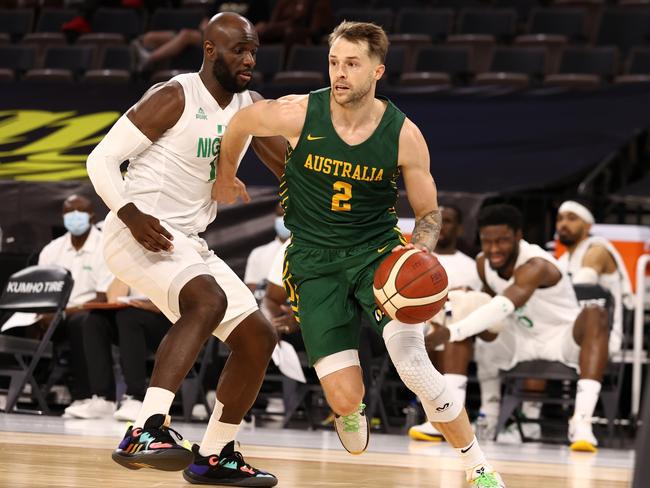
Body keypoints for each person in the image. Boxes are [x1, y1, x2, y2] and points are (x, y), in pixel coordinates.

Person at [214, 21, 505, 488]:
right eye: (334, 62)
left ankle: (478, 467)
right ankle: (351, 410)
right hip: (313, 262)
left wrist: (419, 256)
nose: (340, 73)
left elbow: (429, 216)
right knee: (345, 398)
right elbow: (242, 121)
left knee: (413, 364)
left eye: (352, 64)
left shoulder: (404, 134)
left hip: (379, 257)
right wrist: (225, 174)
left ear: (377, 71)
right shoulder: (298, 113)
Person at [86, 12, 285, 487]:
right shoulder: (175, 95)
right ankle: (146, 428)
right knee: (208, 301)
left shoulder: (249, 105)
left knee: (258, 337)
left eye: (254, 50)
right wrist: (130, 214)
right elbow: (101, 160)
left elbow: (288, 167)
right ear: (211, 50)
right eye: (240, 50)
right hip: (138, 231)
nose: (249, 60)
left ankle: (215, 455)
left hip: (188, 242)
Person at [429, 204, 610, 452]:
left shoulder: (537, 265)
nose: (494, 249)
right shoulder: (483, 263)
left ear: (517, 236)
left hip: (561, 339)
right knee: (465, 306)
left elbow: (503, 305)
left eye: (502, 241)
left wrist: (452, 332)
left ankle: (581, 422)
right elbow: (488, 304)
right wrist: (466, 299)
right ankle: (455, 418)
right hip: (518, 339)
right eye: (487, 241)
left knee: (595, 314)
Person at [32, 195, 115, 412]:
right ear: (63, 217)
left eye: (80, 212)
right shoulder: (52, 250)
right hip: (53, 316)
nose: (74, 217)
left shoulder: (104, 247)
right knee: (23, 325)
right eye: (69, 212)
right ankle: (28, 388)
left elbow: (102, 297)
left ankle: (88, 397)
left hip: (89, 312)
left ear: (91, 216)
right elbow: (42, 292)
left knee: (83, 322)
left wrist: (65, 312)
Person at [407, 205, 482, 441]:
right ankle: (442, 417)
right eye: (436, 220)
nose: (441, 226)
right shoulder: (412, 260)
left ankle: (442, 418)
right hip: (418, 328)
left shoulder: (471, 267)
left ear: (459, 228)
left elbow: (478, 309)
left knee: (454, 330)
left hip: (458, 333)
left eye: (447, 221)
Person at [556, 200, 633, 353]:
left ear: (587, 226)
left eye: (571, 218)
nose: (563, 224)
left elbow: (581, 287)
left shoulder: (597, 249)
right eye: (559, 219)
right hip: (570, 328)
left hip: (603, 332)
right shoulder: (563, 260)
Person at [244, 203, 290, 295]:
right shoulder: (258, 254)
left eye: (288, 215)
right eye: (280, 215)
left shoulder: (311, 251)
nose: (283, 219)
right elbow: (251, 290)